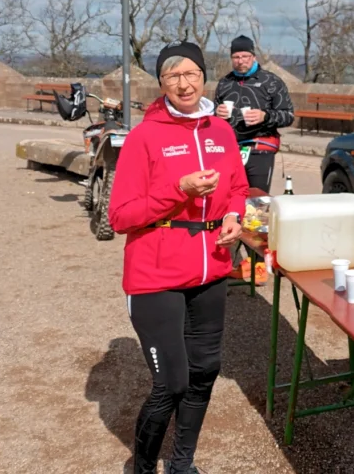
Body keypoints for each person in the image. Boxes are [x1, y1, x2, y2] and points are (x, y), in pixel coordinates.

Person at [109, 41, 248, 474]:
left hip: (212, 266)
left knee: (205, 372)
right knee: (171, 384)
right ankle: (144, 468)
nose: (184, 83)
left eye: (191, 73)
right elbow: (120, 215)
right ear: (162, 83)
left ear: (204, 77)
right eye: (173, 76)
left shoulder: (222, 131)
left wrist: (233, 216)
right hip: (156, 274)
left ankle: (182, 464)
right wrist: (180, 191)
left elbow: (238, 188)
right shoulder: (144, 136)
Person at [213, 35, 294, 193]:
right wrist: (216, 112)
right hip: (230, 149)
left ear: (253, 57)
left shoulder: (271, 81)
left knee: (257, 198)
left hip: (261, 148)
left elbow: (288, 116)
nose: (240, 60)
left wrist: (265, 116)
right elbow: (212, 113)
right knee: (227, 196)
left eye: (245, 56)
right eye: (236, 57)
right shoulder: (224, 83)